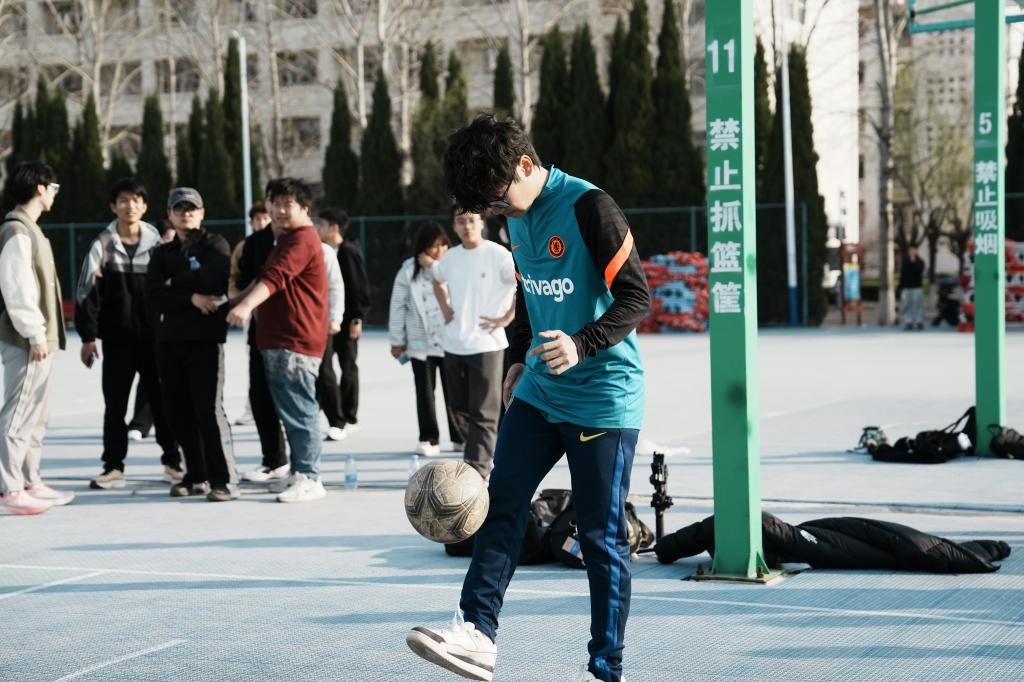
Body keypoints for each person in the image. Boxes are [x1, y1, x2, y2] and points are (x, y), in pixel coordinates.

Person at [406, 114, 650, 682]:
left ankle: (606, 666)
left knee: (600, 538)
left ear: (524, 165)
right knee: (501, 503)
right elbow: (530, 299)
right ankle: (476, 633)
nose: (498, 212)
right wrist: (518, 357)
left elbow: (636, 297)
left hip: (603, 398)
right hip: (541, 389)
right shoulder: (514, 220)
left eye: (498, 199)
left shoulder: (591, 208)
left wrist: (583, 343)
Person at [76, 178, 182, 490]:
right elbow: (86, 294)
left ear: (145, 206)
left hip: (155, 339)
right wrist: (88, 337)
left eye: (136, 200)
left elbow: (173, 289)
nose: (130, 206)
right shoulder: (102, 244)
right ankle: (113, 467)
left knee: (163, 402)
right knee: (115, 406)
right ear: (113, 206)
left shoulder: (158, 245)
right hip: (117, 340)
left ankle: (173, 462)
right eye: (123, 200)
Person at [228, 178, 328, 504]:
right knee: (290, 412)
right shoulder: (285, 239)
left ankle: (310, 477)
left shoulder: (301, 239)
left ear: (305, 208)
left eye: (288, 204)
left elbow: (275, 278)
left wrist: (245, 306)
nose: (280, 210)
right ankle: (299, 472)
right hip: (279, 340)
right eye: (275, 203)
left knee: (300, 412)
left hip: (294, 341)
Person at [146, 187, 237, 501]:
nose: (185, 214)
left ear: (201, 213)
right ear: (169, 214)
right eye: (179, 209)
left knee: (207, 411)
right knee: (177, 412)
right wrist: (192, 297)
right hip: (170, 341)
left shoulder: (215, 244)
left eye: (191, 208)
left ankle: (223, 479)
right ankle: (196, 475)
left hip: (205, 341)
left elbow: (216, 277)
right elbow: (154, 294)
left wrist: (176, 282)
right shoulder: (161, 254)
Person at [417, 208, 515, 478]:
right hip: (453, 344)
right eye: (461, 221)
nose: (467, 225)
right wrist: (444, 307)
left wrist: (508, 316)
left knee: (484, 411)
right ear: (454, 226)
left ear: (482, 223)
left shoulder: (498, 254)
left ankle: (477, 469)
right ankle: (481, 453)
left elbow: (522, 282)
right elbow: (436, 279)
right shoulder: (451, 257)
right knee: (458, 407)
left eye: (472, 220)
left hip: (487, 344)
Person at [0, 161, 74, 514]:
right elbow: (16, 286)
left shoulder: (31, 229)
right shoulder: (17, 230)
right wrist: (33, 333)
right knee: (18, 413)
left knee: (36, 414)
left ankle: (30, 480)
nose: (55, 195)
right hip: (24, 338)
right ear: (40, 188)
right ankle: (9, 488)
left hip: (38, 338)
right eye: (54, 188)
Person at [388, 222, 464, 457]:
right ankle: (429, 438)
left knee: (456, 392)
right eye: (434, 246)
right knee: (425, 393)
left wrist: (434, 266)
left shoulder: (454, 265)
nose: (440, 250)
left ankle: (461, 437)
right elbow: (398, 305)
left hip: (451, 342)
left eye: (443, 245)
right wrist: (396, 339)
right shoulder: (408, 270)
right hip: (420, 344)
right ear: (422, 247)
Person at [318, 207, 370, 439]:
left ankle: (349, 417)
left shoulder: (348, 251)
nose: (319, 228)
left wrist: (357, 318)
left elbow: (359, 287)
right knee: (326, 369)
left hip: (348, 321)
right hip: (329, 321)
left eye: (322, 225)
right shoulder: (324, 251)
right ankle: (335, 415)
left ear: (334, 228)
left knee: (348, 368)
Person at [229, 204, 272, 427]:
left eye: (265, 218)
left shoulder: (284, 242)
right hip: (252, 314)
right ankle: (251, 409)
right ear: (251, 222)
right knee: (256, 365)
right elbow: (234, 277)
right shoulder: (245, 246)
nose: (262, 222)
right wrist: (239, 301)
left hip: (279, 317)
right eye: (258, 219)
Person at [899, 245, 925, 330]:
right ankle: (908, 321)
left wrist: (913, 262)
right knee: (907, 305)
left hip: (917, 287)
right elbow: (903, 274)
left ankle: (919, 321)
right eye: (910, 251)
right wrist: (901, 286)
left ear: (916, 251)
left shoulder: (920, 261)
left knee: (918, 305)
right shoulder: (905, 262)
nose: (911, 252)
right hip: (907, 287)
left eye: (913, 250)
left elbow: (919, 270)